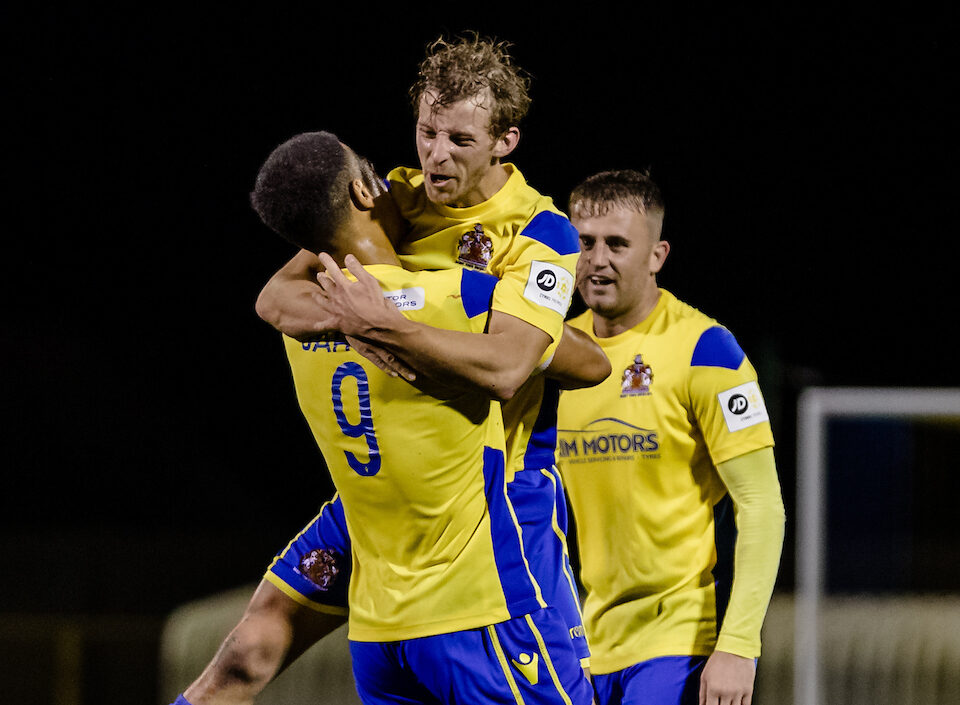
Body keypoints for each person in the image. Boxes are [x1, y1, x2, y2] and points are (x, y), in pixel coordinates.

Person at [172, 131, 594, 705]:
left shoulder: (300, 322)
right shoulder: (461, 299)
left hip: (377, 619)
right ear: (363, 191)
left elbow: (271, 298)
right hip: (476, 601)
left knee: (257, 634)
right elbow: (586, 362)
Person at [255, 33, 607, 672]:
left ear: (506, 142)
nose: (436, 157)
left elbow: (507, 366)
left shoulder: (540, 231)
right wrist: (361, 324)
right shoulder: (394, 198)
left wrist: (393, 323)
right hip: (398, 482)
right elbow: (276, 300)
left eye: (460, 141)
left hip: (495, 496)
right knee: (256, 637)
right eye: (426, 133)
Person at [555, 169, 786, 705]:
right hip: (580, 647)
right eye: (584, 243)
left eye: (617, 244)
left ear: (657, 255)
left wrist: (738, 645)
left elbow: (762, 505)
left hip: (678, 644)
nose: (597, 260)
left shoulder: (707, 350)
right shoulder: (550, 351)